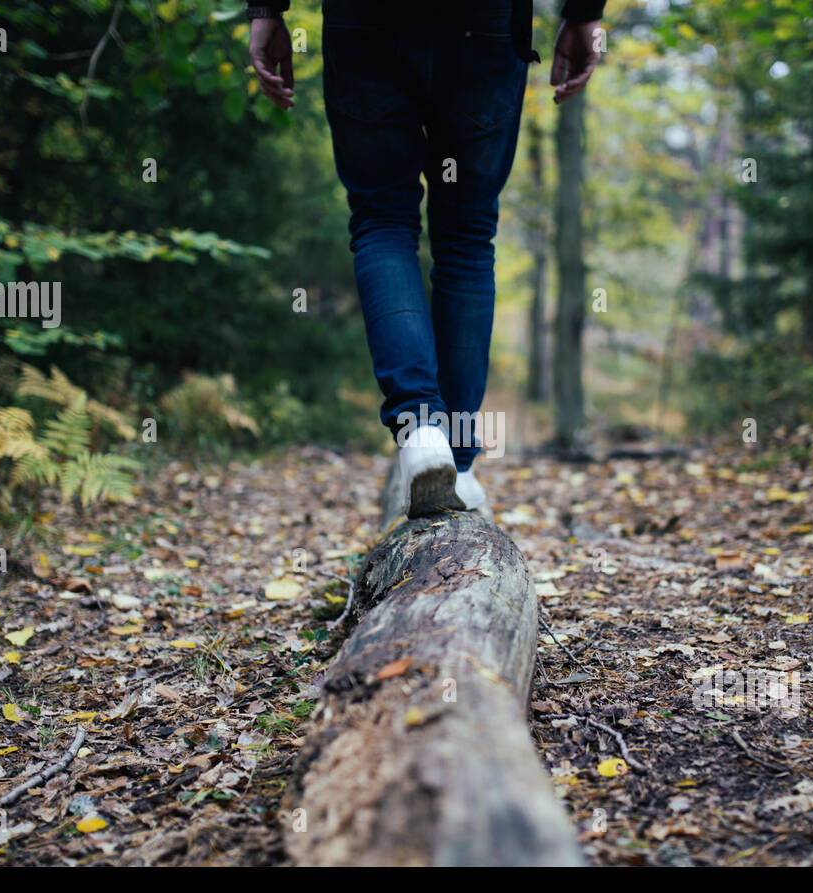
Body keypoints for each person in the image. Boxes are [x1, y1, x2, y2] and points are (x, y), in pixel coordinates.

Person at [246, 1, 603, 517]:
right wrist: (584, 12)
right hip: (483, 23)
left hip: (366, 22)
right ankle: (456, 462)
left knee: (383, 220)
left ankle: (421, 431)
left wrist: (264, 10)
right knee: (466, 236)